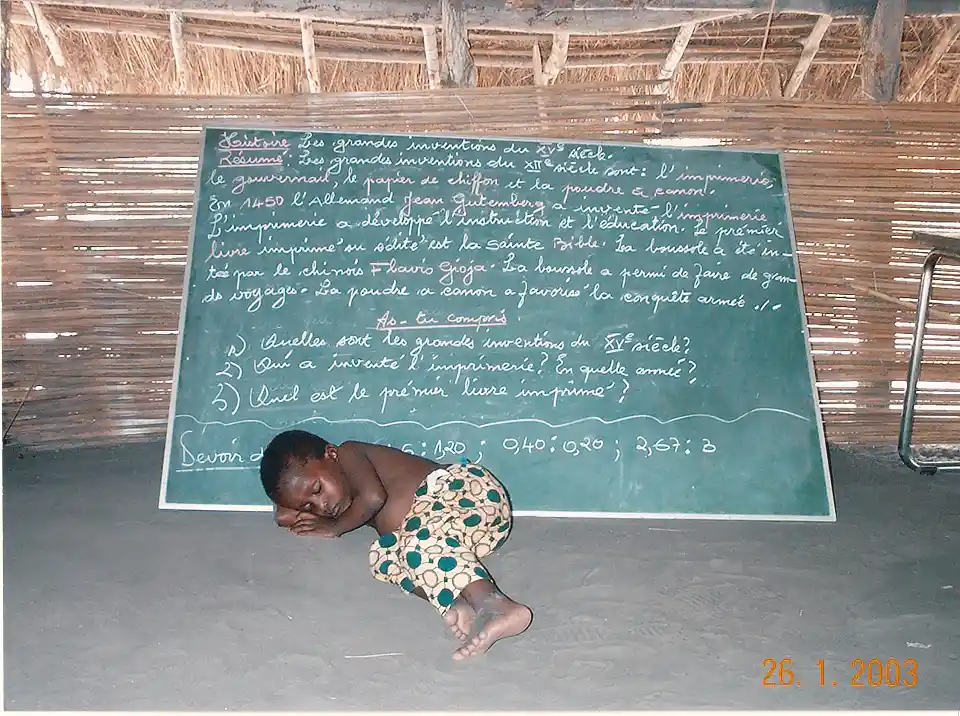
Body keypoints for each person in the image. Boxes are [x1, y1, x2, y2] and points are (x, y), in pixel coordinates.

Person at [259, 429, 533, 661]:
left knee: (417, 542)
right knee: (383, 557)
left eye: (317, 490)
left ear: (330, 455)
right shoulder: (335, 496)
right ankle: (453, 597)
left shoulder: (349, 453)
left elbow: (373, 497)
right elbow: (283, 516)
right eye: (308, 506)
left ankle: (495, 604)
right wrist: (294, 503)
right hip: (460, 540)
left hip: (465, 495)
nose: (322, 506)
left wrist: (334, 528)